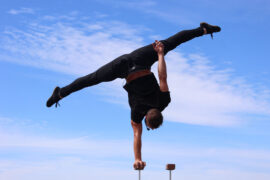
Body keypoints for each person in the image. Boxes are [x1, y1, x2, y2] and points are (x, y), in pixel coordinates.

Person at [46, 22, 221, 170]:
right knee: (91, 79)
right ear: (146, 118)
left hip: (141, 59)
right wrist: (137, 159)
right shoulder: (137, 112)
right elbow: (137, 134)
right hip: (122, 68)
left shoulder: (164, 101)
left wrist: (160, 54)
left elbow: (163, 77)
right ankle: (59, 94)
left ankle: (204, 30)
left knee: (172, 42)